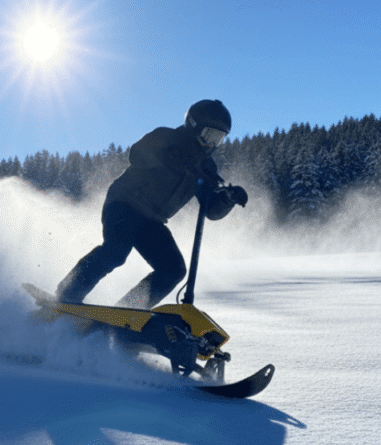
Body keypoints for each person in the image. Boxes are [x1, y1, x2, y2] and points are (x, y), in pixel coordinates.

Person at [56, 99, 248, 309]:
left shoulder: (205, 166)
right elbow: (136, 155)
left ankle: (129, 310)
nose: (212, 144)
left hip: (152, 221)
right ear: (194, 126)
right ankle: (67, 295)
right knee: (116, 251)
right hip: (124, 204)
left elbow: (209, 209)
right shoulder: (166, 137)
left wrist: (226, 199)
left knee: (173, 269)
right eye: (209, 135)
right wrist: (168, 156)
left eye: (218, 139)